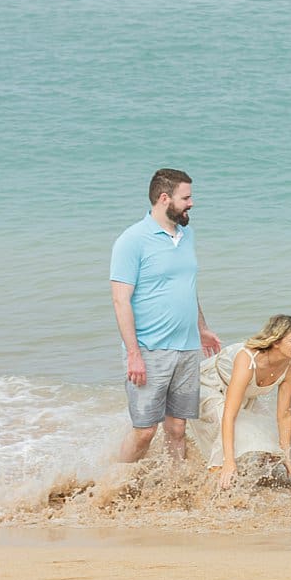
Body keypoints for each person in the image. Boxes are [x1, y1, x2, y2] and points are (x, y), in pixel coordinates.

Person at [109, 168, 222, 463]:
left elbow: (186, 287)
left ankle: (176, 486)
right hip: (149, 350)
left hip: (187, 348)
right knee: (144, 431)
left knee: (177, 428)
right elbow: (121, 301)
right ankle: (114, 483)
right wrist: (134, 353)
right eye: (186, 197)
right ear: (164, 198)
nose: (191, 203)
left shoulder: (187, 235)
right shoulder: (132, 240)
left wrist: (202, 328)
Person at [193, 315, 291, 490]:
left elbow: (284, 415)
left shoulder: (290, 369)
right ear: (276, 341)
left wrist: (287, 456)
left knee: (269, 435)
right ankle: (215, 488)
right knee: (236, 430)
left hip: (243, 397)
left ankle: (264, 481)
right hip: (209, 386)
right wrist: (229, 461)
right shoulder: (248, 359)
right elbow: (229, 414)